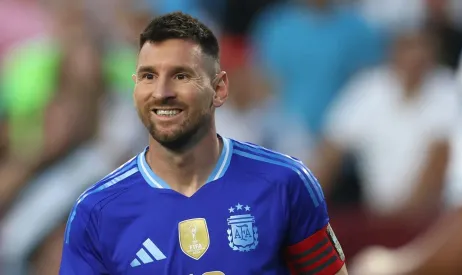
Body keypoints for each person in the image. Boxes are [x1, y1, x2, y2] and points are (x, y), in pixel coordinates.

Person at [59, 12, 347, 275]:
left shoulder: (285, 183)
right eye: (148, 76)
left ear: (219, 89)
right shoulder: (96, 211)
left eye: (181, 76)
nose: (161, 92)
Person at [349, 24, 462, 275]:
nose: (415, 55)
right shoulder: (368, 88)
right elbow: (328, 151)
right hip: (391, 222)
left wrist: (390, 268)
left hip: (426, 223)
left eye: (422, 45)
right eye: (407, 46)